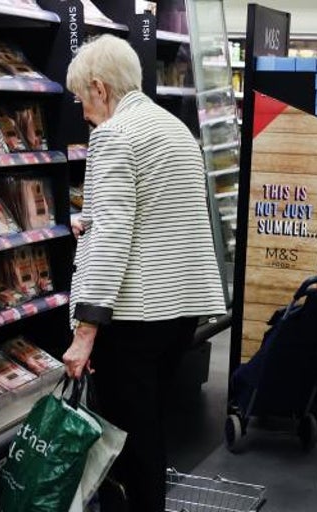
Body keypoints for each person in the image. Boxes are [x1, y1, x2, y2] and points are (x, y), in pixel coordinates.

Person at [61, 34, 227, 512]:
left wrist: (86, 330)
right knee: (149, 427)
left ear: (99, 88)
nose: (83, 112)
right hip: (178, 312)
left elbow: (114, 238)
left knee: (123, 442)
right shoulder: (172, 128)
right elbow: (158, 217)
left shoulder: (114, 134)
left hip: (133, 318)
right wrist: (91, 224)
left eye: (81, 100)